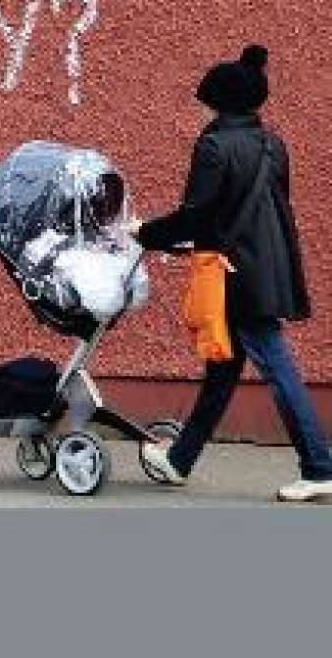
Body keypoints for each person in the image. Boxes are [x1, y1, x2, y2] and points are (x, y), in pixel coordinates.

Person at [130, 44, 332, 502]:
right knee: (222, 370)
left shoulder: (214, 145)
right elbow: (268, 208)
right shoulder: (273, 144)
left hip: (234, 273)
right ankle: (180, 459)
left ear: (218, 100)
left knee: (277, 366)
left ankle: (319, 467)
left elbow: (196, 215)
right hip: (268, 266)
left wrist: (146, 233)